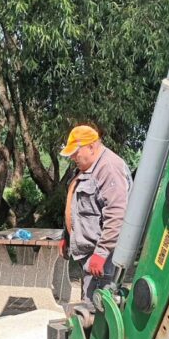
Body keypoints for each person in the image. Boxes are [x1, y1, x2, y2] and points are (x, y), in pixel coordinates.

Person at [58, 125, 132, 304]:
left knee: (96, 310)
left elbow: (117, 214)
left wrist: (101, 252)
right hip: (89, 256)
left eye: (76, 152)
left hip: (103, 260)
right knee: (88, 306)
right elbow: (75, 207)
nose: (73, 157)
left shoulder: (109, 168)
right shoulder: (85, 168)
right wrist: (66, 237)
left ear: (91, 147)